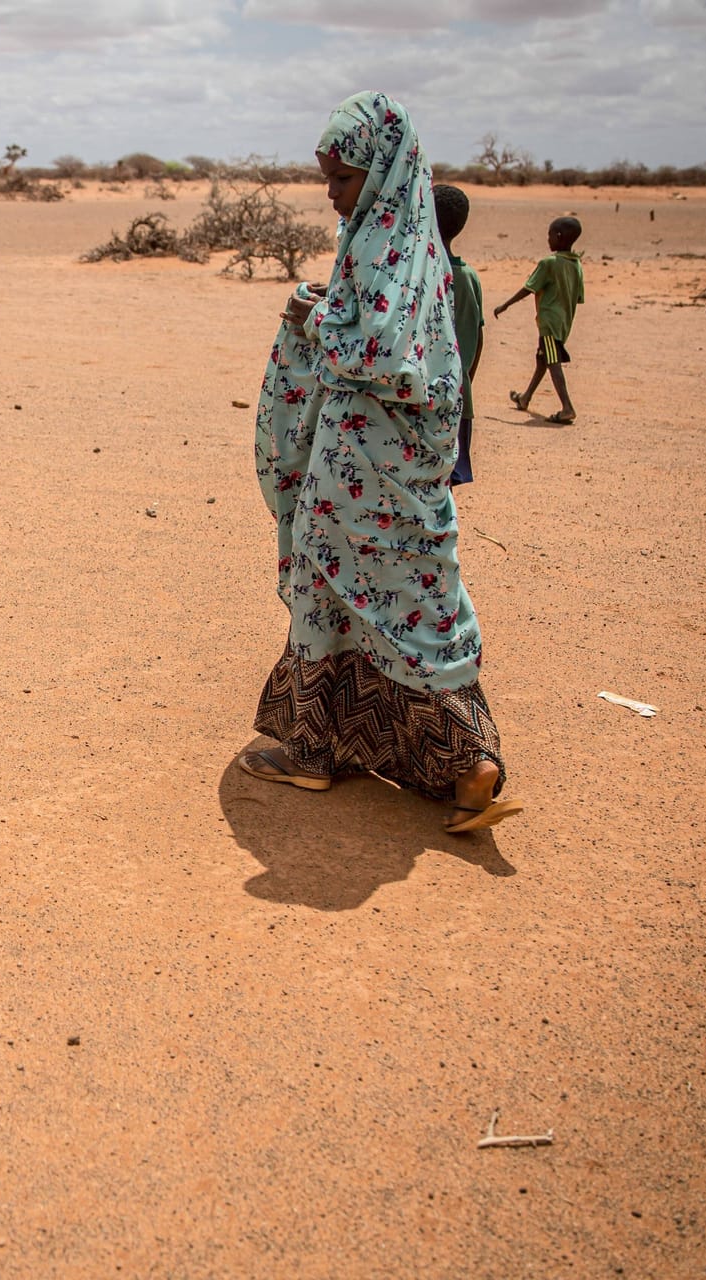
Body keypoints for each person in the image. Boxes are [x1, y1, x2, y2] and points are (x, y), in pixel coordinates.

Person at [246, 90, 522, 834]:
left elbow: (388, 356)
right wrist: (329, 304)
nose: (333, 196)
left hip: (361, 471)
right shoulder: (413, 250)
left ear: (383, 171)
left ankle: (312, 749)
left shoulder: (384, 250)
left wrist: (316, 320)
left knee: (330, 589)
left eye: (342, 180)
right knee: (415, 604)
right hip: (398, 473)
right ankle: (468, 762)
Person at [495, 216, 584, 425]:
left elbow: (529, 287)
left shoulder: (549, 263)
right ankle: (525, 397)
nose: (548, 239)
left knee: (552, 362)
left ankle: (567, 407)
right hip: (563, 323)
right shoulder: (576, 264)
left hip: (549, 323)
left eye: (550, 235)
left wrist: (506, 304)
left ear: (559, 237)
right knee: (542, 359)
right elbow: (578, 297)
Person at [434, 184, 483, 485]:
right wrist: (465, 381)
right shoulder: (470, 277)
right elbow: (479, 340)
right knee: (447, 480)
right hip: (460, 393)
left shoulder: (426, 276)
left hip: (425, 397)